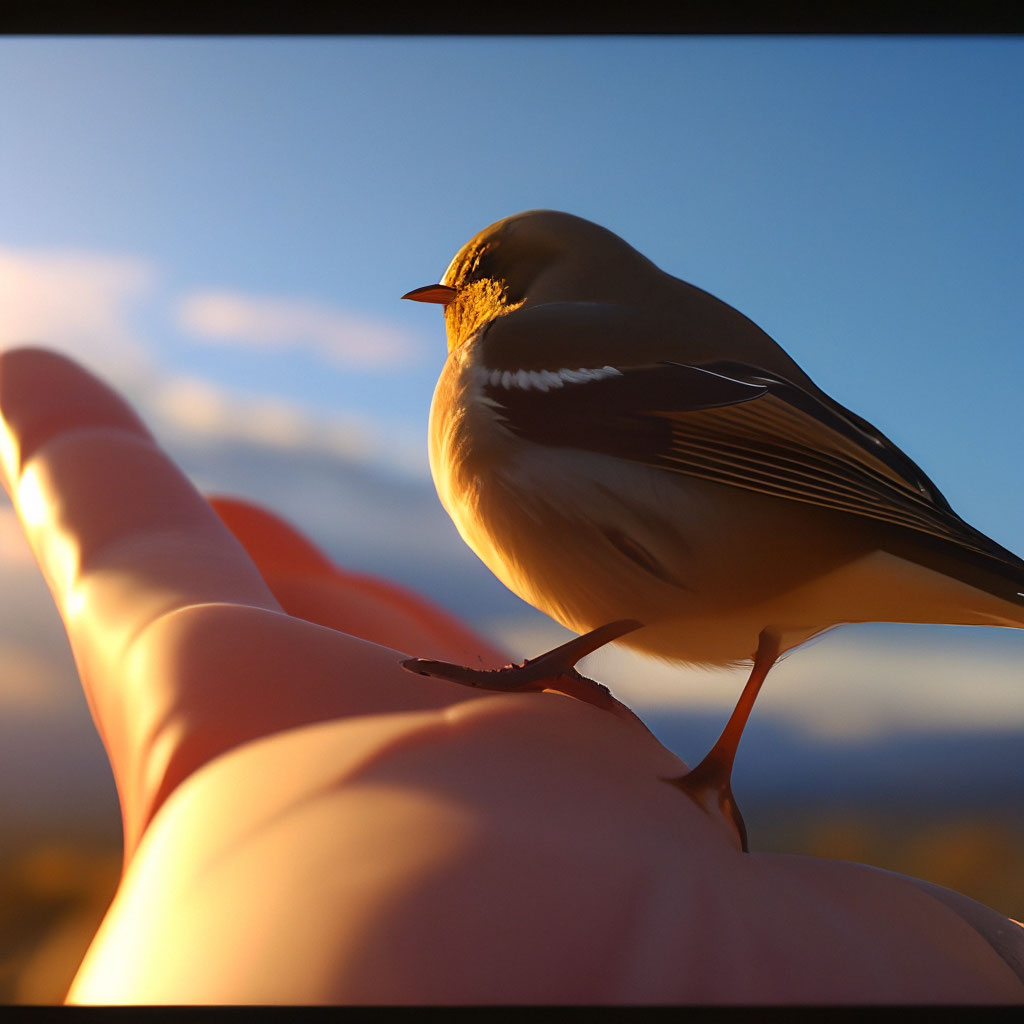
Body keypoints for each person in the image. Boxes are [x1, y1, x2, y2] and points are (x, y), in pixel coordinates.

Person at [1, 346, 1020, 1004]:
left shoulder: (517, 355)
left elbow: (701, 460)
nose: (451, 304)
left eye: (471, 275)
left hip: (791, 511)